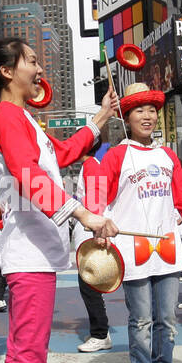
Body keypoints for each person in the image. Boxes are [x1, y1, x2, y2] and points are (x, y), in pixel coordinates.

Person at [0, 38, 119, 363]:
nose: (40, 69)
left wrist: (98, 121)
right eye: (33, 61)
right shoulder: (8, 117)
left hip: (31, 251)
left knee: (22, 357)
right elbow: (28, 173)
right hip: (27, 253)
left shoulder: (20, 119)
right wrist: (82, 212)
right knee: (28, 360)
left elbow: (56, 158)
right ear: (7, 71)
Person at [100, 84, 182, 363]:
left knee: (167, 318)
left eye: (152, 110)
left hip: (167, 248)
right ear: (127, 116)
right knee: (141, 319)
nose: (148, 116)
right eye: (140, 110)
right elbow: (98, 200)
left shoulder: (167, 156)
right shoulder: (115, 156)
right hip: (132, 250)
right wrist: (98, 229)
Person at [72, 149, 112, 351]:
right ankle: (100, 331)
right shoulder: (91, 166)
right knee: (90, 284)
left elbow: (95, 203)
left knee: (89, 283)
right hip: (91, 229)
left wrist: (96, 232)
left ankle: (100, 333)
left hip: (90, 231)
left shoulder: (91, 167)